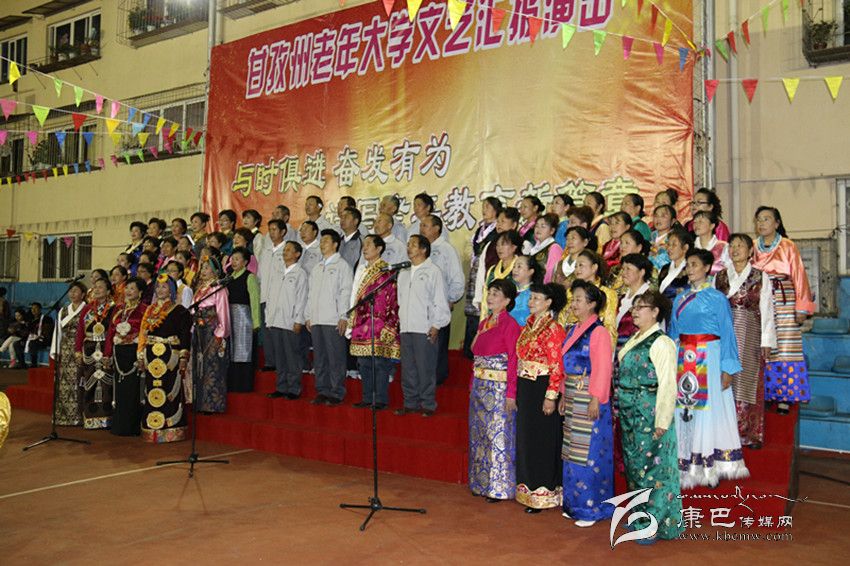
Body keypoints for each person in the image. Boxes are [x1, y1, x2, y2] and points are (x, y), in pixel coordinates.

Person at [670, 248, 748, 488]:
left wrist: (728, 368)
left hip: (710, 358)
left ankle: (711, 466)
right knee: (686, 409)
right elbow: (673, 334)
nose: (690, 269)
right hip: (685, 359)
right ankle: (687, 465)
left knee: (709, 410)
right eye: (688, 265)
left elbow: (727, 333)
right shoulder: (679, 299)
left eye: (694, 264)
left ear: (706, 268)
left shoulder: (717, 298)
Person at [617, 290, 683, 543]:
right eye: (634, 307)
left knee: (654, 470)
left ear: (655, 312)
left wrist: (662, 421)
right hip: (629, 413)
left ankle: (653, 524)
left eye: (641, 307)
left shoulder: (662, 342)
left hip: (650, 413)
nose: (634, 311)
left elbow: (668, 384)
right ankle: (640, 517)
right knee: (635, 467)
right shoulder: (635, 338)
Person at [559, 280, 615, 527]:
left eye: (579, 299)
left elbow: (602, 368)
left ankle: (591, 508)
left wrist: (596, 399)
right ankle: (573, 504)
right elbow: (566, 367)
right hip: (573, 395)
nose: (574, 304)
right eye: (573, 299)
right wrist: (563, 394)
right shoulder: (573, 329)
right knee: (572, 451)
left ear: (592, 304)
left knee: (589, 452)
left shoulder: (598, 332)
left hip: (590, 397)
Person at [752, 206, 815, 414]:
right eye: (759, 219)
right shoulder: (753, 247)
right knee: (764, 345)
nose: (762, 223)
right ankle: (766, 393)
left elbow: (799, 276)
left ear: (777, 223)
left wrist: (801, 307)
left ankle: (785, 397)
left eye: (766, 219)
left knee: (785, 347)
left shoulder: (788, 246)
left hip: (784, 300)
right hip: (761, 300)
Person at [715, 234, 776, 448]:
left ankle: (749, 434)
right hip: (725, 332)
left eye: (740, 245)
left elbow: (767, 309)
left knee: (747, 381)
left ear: (751, 251)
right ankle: (724, 433)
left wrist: (766, 340)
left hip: (750, 332)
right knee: (724, 378)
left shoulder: (760, 276)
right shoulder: (720, 276)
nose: (735, 249)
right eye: (732, 246)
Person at [515, 282, 567, 513]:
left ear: (549, 302)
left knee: (542, 439)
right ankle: (528, 489)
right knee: (527, 437)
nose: (531, 302)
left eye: (536, 298)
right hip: (526, 386)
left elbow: (557, 365)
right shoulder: (528, 326)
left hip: (542, 387)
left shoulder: (553, 329)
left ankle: (544, 491)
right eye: (531, 297)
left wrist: (551, 396)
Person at [469, 279, 522, 501]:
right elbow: (474, 353)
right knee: (480, 436)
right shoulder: (484, 323)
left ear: (507, 300)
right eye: (489, 292)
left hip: (498, 389)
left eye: (496, 294)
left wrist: (511, 393)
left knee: (497, 436)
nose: (490, 297)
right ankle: (480, 483)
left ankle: (499, 486)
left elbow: (514, 360)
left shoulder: (510, 325)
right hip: (480, 387)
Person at [396, 235, 451, 416]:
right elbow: (400, 301)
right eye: (408, 244)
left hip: (424, 327)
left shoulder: (433, 271)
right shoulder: (403, 273)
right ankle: (410, 402)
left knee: (425, 367)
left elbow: (440, 301)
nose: (409, 248)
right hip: (406, 327)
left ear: (424, 249)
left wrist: (436, 325)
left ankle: (428, 403)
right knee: (408, 369)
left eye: (413, 245)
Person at [348, 235, 400, 410]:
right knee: (363, 363)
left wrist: (389, 324)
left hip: (379, 324)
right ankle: (367, 397)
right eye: (364, 244)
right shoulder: (362, 269)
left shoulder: (385, 271)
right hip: (361, 322)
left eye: (369, 244)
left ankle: (380, 399)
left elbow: (392, 299)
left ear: (379, 249)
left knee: (379, 363)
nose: (365, 247)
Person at [138, 275, 192, 443]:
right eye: (158, 286)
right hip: (151, 354)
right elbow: (143, 333)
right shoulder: (150, 310)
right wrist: (141, 354)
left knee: (169, 389)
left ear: (171, 290)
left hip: (170, 356)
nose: (160, 290)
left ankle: (171, 428)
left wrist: (183, 356)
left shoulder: (180, 310)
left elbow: (185, 335)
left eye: (164, 287)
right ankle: (152, 428)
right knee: (151, 389)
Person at [305, 230, 354, 406]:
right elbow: (310, 294)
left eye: (326, 241)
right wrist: (308, 315)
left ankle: (336, 391)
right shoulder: (317, 267)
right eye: (321, 241)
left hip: (333, 319)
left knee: (335, 357)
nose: (322, 243)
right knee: (320, 358)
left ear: (335, 244)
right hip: (317, 319)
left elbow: (346, 292)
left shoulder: (342, 266)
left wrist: (343, 316)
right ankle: (322, 390)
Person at [421, 215, 465, 385]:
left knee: (438, 345)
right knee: (423, 345)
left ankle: (437, 381)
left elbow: (456, 278)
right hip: (421, 306)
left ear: (436, 229)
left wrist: (451, 298)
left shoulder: (447, 249)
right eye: (421, 226)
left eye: (425, 225)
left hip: (439, 305)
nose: (421, 229)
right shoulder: (421, 250)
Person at [104, 277, 147, 437]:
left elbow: (145, 332)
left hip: (134, 352)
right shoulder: (118, 309)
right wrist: (107, 353)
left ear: (140, 292)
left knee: (133, 390)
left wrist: (142, 355)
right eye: (127, 288)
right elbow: (110, 332)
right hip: (119, 353)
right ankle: (119, 425)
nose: (128, 291)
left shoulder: (144, 309)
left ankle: (132, 426)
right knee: (119, 390)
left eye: (132, 288)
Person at [267, 241, 309, 400]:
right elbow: (270, 296)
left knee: (292, 356)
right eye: (284, 249)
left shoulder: (300, 273)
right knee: (279, 356)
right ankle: (281, 386)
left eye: (289, 250)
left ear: (297, 254)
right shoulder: (277, 271)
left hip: (290, 321)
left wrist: (299, 320)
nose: (285, 252)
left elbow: (302, 298)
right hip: (275, 320)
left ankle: (293, 388)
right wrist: (268, 318)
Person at [463, 197, 502, 359]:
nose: (484, 209)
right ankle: (469, 351)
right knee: (472, 313)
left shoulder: (497, 232)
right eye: (483, 206)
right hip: (475, 273)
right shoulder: (480, 229)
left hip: (487, 275)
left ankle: (479, 351)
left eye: (488, 207)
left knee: (482, 313)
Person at [74, 278, 116, 429]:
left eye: (100, 287)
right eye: (95, 287)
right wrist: (78, 351)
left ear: (108, 291)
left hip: (105, 348)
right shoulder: (88, 309)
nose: (97, 290)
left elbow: (112, 331)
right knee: (89, 383)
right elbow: (80, 331)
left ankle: (106, 418)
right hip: (89, 350)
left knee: (106, 384)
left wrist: (108, 353)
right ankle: (90, 418)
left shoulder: (114, 308)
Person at [192, 256, 231, 414]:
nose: (203, 271)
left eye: (207, 268)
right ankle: (200, 403)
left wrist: (220, 334)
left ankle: (212, 404)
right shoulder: (200, 288)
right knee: (200, 366)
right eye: (202, 267)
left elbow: (223, 313)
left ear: (215, 271)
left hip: (212, 331)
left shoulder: (219, 289)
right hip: (199, 330)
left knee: (212, 367)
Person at [558, 251, 618, 345]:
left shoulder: (608, 294)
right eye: (575, 266)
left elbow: (609, 327)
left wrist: (607, 349)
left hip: (593, 342)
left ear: (594, 267)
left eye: (581, 265)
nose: (577, 269)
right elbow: (561, 320)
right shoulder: (570, 292)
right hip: (568, 340)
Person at [49, 281, 87, 426]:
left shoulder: (87, 309)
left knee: (79, 381)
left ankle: (79, 416)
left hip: (80, 349)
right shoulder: (63, 310)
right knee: (64, 382)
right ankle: (63, 417)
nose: (72, 293)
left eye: (76, 291)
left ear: (83, 294)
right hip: (65, 350)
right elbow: (57, 331)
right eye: (71, 291)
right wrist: (56, 350)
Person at [226, 247, 261, 393]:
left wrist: (256, 322)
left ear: (245, 262)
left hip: (243, 318)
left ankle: (243, 385)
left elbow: (254, 300)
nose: (233, 262)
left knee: (243, 351)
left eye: (237, 259)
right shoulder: (228, 277)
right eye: (232, 259)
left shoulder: (250, 277)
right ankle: (232, 383)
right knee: (231, 351)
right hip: (229, 317)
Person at [474, 230, 521, 320]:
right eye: (497, 245)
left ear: (514, 247)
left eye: (503, 244)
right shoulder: (492, 270)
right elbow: (485, 297)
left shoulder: (519, 269)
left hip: (512, 318)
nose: (499, 248)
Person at [615, 254, 654, 342]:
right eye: (623, 269)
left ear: (641, 272)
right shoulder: (621, 298)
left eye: (628, 269)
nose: (623, 273)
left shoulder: (650, 298)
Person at [523, 213, 563, 284]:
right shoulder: (534, 247)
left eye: (543, 226)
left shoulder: (554, 248)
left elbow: (551, 274)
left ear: (552, 231)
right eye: (536, 226)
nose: (538, 229)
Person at [658, 228, 693, 302]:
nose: (669, 248)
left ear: (685, 248)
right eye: (668, 244)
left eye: (674, 245)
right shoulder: (665, 268)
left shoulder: (690, 270)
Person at [692, 210, 730, 275]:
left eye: (701, 221)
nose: (696, 225)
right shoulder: (690, 247)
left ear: (712, 226)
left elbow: (731, 270)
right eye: (695, 222)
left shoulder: (724, 247)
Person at [509, 256, 542, 326]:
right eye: (514, 266)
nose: (515, 270)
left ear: (530, 271)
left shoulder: (535, 294)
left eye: (519, 266)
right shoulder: (508, 290)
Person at [25, 302, 54, 368]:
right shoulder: (30, 320)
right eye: (32, 308)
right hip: (31, 338)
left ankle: (34, 364)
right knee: (17, 343)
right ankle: (22, 363)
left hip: (43, 340)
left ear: (40, 309)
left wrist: (39, 336)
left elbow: (48, 332)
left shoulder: (47, 319)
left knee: (32, 343)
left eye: (35, 308)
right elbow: (27, 331)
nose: (33, 310)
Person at [650, 204, 676, 270]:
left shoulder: (674, 239)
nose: (658, 219)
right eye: (656, 216)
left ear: (672, 221)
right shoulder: (651, 236)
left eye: (663, 216)